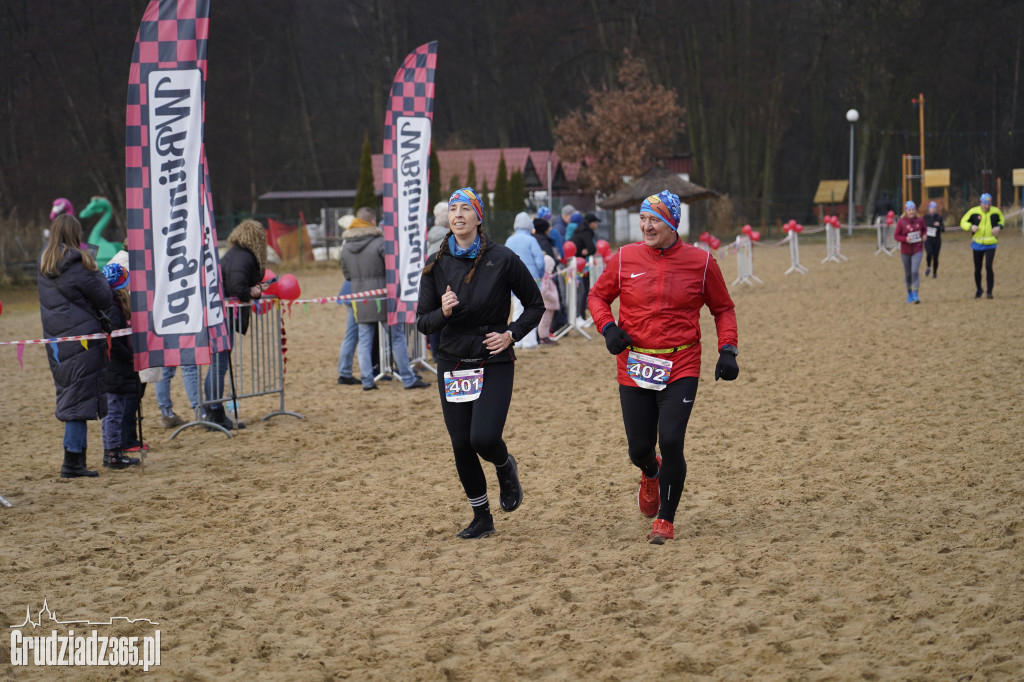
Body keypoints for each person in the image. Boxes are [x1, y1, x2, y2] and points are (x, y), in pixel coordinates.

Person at [589, 190, 738, 544]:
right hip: (635, 363)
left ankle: (666, 520)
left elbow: (723, 309)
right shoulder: (624, 258)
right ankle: (649, 471)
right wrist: (608, 328)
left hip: (681, 362)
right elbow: (597, 296)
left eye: (654, 219)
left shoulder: (701, 262)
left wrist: (728, 349)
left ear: (672, 223)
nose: (646, 226)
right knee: (639, 449)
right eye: (643, 219)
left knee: (671, 440)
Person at [416, 187, 544, 539]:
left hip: (493, 356)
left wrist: (511, 334)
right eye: (453, 209)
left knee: (484, 438)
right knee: (461, 444)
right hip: (453, 359)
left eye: (465, 209)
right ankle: (481, 516)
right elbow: (422, 321)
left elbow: (535, 304)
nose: (457, 215)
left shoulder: (502, 258)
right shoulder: (436, 264)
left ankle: (504, 464)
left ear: (478, 217)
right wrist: (441, 312)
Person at [37, 214, 113, 478]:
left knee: (71, 394)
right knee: (78, 400)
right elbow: (104, 298)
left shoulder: (45, 262)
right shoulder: (78, 264)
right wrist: (98, 272)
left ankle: (76, 459)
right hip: (82, 338)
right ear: (75, 234)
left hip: (57, 341)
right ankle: (72, 461)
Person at [341, 206, 430, 391]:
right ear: (372, 221)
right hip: (384, 297)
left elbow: (347, 274)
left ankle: (367, 381)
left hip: (361, 298)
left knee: (364, 339)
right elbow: (392, 269)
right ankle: (407, 378)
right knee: (397, 337)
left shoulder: (346, 246)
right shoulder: (381, 242)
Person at [205, 219, 271, 430]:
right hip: (224, 315)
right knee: (219, 365)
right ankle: (215, 412)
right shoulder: (245, 258)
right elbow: (237, 286)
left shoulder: (232, 254)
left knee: (216, 365)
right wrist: (251, 292)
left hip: (217, 313)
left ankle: (211, 411)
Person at [99, 263, 142, 469]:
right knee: (114, 411)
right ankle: (112, 452)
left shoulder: (115, 305)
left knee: (117, 409)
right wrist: (130, 357)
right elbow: (114, 342)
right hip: (115, 368)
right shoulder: (113, 308)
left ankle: (113, 449)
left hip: (119, 369)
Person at [504, 211, 545, 349]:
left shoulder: (510, 240)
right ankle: (530, 341)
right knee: (532, 309)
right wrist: (540, 275)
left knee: (516, 309)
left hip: (512, 279)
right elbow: (539, 261)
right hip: (532, 277)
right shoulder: (531, 240)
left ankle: (515, 339)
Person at [960, 193, 1005, 299]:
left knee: (989, 266)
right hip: (977, 244)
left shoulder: (996, 211)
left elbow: (1001, 220)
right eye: (984, 203)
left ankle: (989, 291)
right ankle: (979, 289)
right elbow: (963, 222)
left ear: (991, 203)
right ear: (981, 203)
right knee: (977, 269)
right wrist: (971, 227)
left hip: (991, 244)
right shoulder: (973, 212)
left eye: (988, 203)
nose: (986, 206)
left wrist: (999, 227)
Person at [894, 200, 926, 304]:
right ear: (906, 211)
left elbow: (924, 230)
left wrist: (924, 235)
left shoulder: (920, 220)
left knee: (914, 271)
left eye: (913, 210)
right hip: (905, 251)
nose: (911, 212)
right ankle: (909, 294)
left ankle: (916, 294)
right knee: (908, 273)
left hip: (917, 249)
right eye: (909, 210)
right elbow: (896, 235)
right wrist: (905, 239)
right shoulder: (901, 221)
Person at [571, 213, 599, 321]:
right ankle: (580, 315)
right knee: (583, 290)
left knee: (580, 291)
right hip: (580, 265)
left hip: (576, 264)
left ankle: (580, 314)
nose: (596, 225)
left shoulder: (579, 230)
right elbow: (592, 249)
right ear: (591, 223)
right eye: (595, 222)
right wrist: (587, 251)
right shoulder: (586, 232)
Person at [923, 201, 944, 278]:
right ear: (929, 209)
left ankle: (934, 273)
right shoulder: (925, 217)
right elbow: (921, 227)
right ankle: (928, 267)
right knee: (929, 253)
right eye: (931, 208)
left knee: (935, 257)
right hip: (928, 239)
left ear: (936, 209)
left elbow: (943, 229)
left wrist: (939, 225)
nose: (932, 210)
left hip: (937, 240)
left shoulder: (939, 218)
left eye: (934, 208)